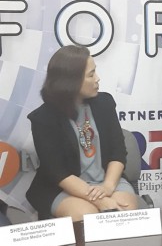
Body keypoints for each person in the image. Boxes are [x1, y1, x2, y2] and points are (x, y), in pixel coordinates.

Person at [26, 45, 138, 221]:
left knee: (124, 215)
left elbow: (118, 153)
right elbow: (57, 172)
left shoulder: (105, 103)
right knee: (88, 218)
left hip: (108, 181)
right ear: (71, 81)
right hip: (63, 188)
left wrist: (108, 187)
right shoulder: (43, 118)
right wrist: (99, 201)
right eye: (91, 75)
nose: (98, 79)